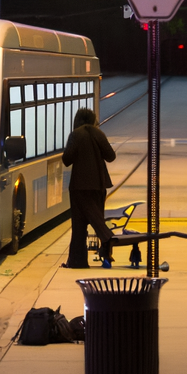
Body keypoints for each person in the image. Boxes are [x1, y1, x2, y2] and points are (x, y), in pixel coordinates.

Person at [61, 107, 117, 269]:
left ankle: (78, 261)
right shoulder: (99, 134)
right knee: (96, 217)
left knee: (79, 226)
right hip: (99, 185)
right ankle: (106, 254)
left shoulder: (75, 134)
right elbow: (111, 157)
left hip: (79, 186)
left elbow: (67, 159)